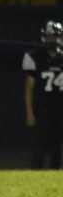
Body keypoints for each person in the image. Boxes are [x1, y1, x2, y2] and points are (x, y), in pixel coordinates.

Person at [23, 20, 63, 169]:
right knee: (39, 148)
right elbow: (29, 88)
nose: (52, 39)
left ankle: (54, 179)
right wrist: (30, 112)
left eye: (55, 36)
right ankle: (35, 177)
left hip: (60, 109)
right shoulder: (35, 56)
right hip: (42, 108)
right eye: (49, 36)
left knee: (56, 148)